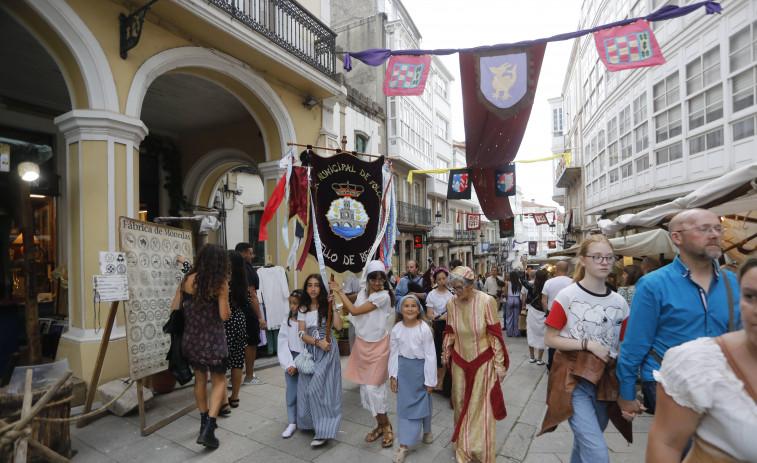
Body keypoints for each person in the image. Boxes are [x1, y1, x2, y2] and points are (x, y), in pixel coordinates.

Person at [616, 209, 740, 418]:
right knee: (688, 447)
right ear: (677, 237)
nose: (715, 234)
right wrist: (626, 393)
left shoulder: (733, 283)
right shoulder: (653, 284)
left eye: (718, 228)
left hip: (719, 383)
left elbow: (743, 338)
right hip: (666, 381)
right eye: (704, 229)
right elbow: (636, 342)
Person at [646, 256, 757, 462]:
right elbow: (638, 337)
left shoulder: (727, 281)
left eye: (715, 227)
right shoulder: (654, 283)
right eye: (750, 296)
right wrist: (626, 388)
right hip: (676, 373)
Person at [539, 235, 632, 463]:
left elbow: (624, 347)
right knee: (597, 452)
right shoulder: (567, 295)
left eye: (609, 257)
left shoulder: (620, 302)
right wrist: (588, 344)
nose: (604, 262)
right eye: (597, 257)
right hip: (573, 380)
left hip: (605, 381)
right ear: (582, 260)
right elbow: (550, 338)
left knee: (586, 443)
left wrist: (626, 395)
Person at [442, 266, 509, 463]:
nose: (455, 291)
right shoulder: (450, 302)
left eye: (459, 287)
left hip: (483, 360)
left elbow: (494, 335)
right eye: (453, 288)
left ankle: (480, 450)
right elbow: (450, 331)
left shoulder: (487, 301)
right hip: (459, 359)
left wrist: (500, 365)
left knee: (482, 406)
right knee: (460, 402)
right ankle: (462, 447)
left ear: (471, 286)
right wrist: (445, 354)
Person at [171, 244, 231, 449]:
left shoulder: (187, 280)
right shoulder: (220, 284)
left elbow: (174, 309)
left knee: (199, 379)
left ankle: (203, 421)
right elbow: (224, 316)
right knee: (220, 381)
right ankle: (209, 429)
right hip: (213, 340)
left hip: (191, 339)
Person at [330, 261, 395, 448]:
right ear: (368, 278)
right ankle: (380, 425)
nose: (377, 281)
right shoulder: (362, 293)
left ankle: (387, 426)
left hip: (379, 347)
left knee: (374, 390)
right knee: (366, 391)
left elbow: (356, 311)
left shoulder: (383, 296)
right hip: (362, 346)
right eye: (374, 278)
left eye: (381, 278)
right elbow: (349, 311)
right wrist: (334, 302)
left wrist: (338, 290)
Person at [297, 274, 343, 447]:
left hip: (328, 351)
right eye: (309, 285)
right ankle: (312, 423)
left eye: (316, 285)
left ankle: (324, 430)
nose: (313, 288)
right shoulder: (303, 308)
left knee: (321, 390)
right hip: (312, 350)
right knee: (307, 389)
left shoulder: (329, 305)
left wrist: (335, 307)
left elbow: (338, 326)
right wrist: (317, 342)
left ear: (321, 288)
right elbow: (301, 334)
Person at [389, 295, 437, 463]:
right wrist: (393, 376)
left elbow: (430, 356)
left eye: (413, 306)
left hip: (421, 371)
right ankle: (404, 445)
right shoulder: (396, 329)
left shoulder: (424, 329)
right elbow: (394, 354)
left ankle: (427, 430)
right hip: (404, 372)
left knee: (425, 401)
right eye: (406, 306)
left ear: (419, 309)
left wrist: (430, 380)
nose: (410, 309)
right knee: (404, 408)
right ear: (400, 309)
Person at [223, 250, 255, 415]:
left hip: (225, 323)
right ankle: (234, 398)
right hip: (240, 321)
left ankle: (223, 403)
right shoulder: (243, 282)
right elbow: (248, 302)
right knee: (237, 362)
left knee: (220, 364)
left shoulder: (223, 282)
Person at [234, 242, 267, 386]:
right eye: (250, 253)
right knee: (251, 342)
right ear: (243, 253)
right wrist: (260, 317)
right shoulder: (245, 269)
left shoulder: (230, 268)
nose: (252, 256)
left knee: (237, 344)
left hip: (234, 311)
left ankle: (234, 378)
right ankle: (248, 376)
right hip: (247, 311)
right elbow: (252, 294)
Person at [278, 289, 305, 438]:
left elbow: (306, 344)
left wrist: (297, 363)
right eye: (291, 303)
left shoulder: (306, 320)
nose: (292, 306)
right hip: (290, 359)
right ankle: (292, 422)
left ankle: (304, 419)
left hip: (303, 358)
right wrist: (289, 364)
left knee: (305, 391)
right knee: (291, 391)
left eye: (295, 303)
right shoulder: (287, 320)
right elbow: (282, 342)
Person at [541, 261, 573, 371]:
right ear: (567, 270)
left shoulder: (549, 282)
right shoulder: (573, 282)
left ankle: (551, 365)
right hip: (569, 313)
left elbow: (543, 301)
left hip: (553, 313)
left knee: (552, 339)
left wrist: (547, 313)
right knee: (568, 338)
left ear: (556, 270)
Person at [425, 267, 453, 390]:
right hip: (438, 327)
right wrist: (444, 318)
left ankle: (449, 380)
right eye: (439, 279)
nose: (442, 281)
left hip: (451, 327)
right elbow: (430, 315)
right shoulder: (432, 294)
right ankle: (439, 382)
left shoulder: (452, 293)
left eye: (444, 278)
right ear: (435, 280)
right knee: (438, 353)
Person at [522, 270, 547, 365]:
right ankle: (540, 359)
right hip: (543, 312)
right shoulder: (547, 287)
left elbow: (522, 279)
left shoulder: (531, 286)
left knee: (531, 332)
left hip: (532, 311)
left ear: (535, 277)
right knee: (542, 335)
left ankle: (532, 357)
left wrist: (524, 267)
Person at [504, 270, 522, 337]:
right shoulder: (519, 283)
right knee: (517, 317)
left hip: (510, 299)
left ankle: (509, 333)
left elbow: (506, 293)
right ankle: (517, 332)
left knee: (509, 317)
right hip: (517, 299)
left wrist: (507, 299)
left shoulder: (507, 283)